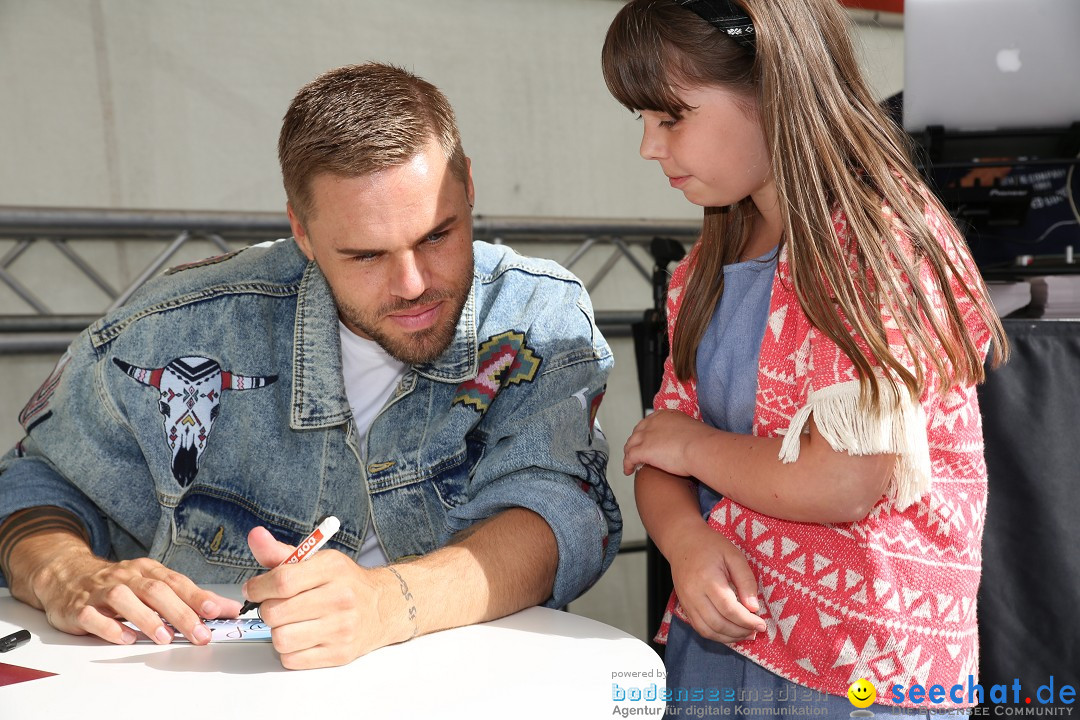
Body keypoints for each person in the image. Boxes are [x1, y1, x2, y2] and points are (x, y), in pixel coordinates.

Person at [0, 62, 620, 670]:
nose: (414, 284)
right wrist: (64, 571)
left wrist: (384, 603)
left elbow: (559, 512)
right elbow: (38, 480)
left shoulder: (534, 314)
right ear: (301, 231)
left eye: (438, 235)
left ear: (469, 188)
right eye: (366, 255)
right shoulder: (178, 328)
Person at [602, 0, 1007, 716]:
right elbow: (654, 452)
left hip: (865, 675)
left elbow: (842, 480)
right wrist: (686, 539)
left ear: (773, 89)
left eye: (671, 117)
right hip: (727, 644)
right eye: (641, 121)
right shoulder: (705, 269)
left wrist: (697, 447)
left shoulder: (880, 248)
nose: (649, 149)